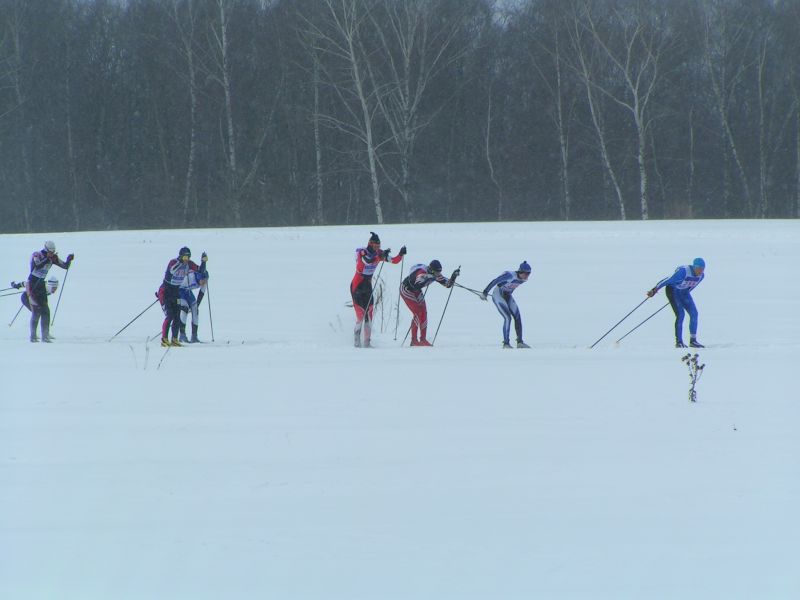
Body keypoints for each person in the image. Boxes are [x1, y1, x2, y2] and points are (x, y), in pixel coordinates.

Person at [351, 232, 406, 347]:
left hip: (367, 286)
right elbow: (367, 261)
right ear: (370, 244)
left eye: (379, 247)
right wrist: (379, 256)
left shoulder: (379, 253)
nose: (377, 249)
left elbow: (394, 260)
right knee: (361, 316)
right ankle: (356, 343)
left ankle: (367, 343)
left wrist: (400, 254)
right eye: (375, 246)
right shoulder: (362, 252)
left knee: (369, 315)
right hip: (357, 286)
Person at [647, 257, 706, 348]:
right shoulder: (683, 272)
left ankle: (693, 341)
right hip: (673, 291)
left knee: (694, 313)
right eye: (699, 269)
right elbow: (667, 280)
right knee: (681, 314)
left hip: (684, 292)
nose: (700, 271)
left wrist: (684, 295)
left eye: (702, 269)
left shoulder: (701, 276)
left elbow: (692, 286)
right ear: (694, 267)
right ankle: (679, 342)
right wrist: (654, 290)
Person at [400, 260, 459, 346]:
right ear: (431, 270)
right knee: (418, 313)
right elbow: (417, 285)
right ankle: (414, 341)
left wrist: (453, 276)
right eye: (436, 272)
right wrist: (429, 277)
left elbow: (447, 284)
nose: (438, 274)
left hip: (416, 291)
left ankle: (423, 339)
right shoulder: (421, 273)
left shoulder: (435, 274)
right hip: (407, 290)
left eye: (439, 272)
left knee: (423, 313)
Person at [25, 241, 73, 342]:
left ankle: (45, 335)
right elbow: (37, 266)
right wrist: (48, 259)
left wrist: (69, 260)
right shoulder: (37, 254)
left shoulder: (52, 257)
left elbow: (65, 266)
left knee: (46, 310)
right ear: (46, 250)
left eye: (53, 252)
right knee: (36, 311)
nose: (52, 254)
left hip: (41, 284)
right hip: (32, 284)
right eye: (50, 252)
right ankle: (33, 337)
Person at [160, 247, 206, 347]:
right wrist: (181, 263)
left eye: (188, 257)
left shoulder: (189, 264)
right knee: (170, 315)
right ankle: (164, 339)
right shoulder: (173, 262)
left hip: (176, 291)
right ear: (181, 256)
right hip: (167, 290)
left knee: (177, 316)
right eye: (185, 257)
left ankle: (175, 339)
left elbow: (200, 270)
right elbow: (172, 270)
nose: (187, 259)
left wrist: (203, 262)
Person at [481, 261, 532, 349]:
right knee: (507, 317)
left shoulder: (523, 279)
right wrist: (485, 292)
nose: (527, 275)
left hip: (507, 295)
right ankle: (506, 344)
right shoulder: (510, 275)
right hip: (498, 294)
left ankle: (520, 342)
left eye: (529, 273)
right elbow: (495, 281)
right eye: (526, 273)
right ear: (520, 271)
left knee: (517, 316)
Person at [177, 269, 209, 343]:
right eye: (203, 280)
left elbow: (201, 293)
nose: (204, 282)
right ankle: (182, 335)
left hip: (188, 291)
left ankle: (194, 336)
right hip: (180, 290)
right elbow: (177, 286)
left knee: (195, 310)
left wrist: (196, 306)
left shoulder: (204, 281)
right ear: (198, 278)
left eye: (206, 280)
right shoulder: (190, 277)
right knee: (184, 309)